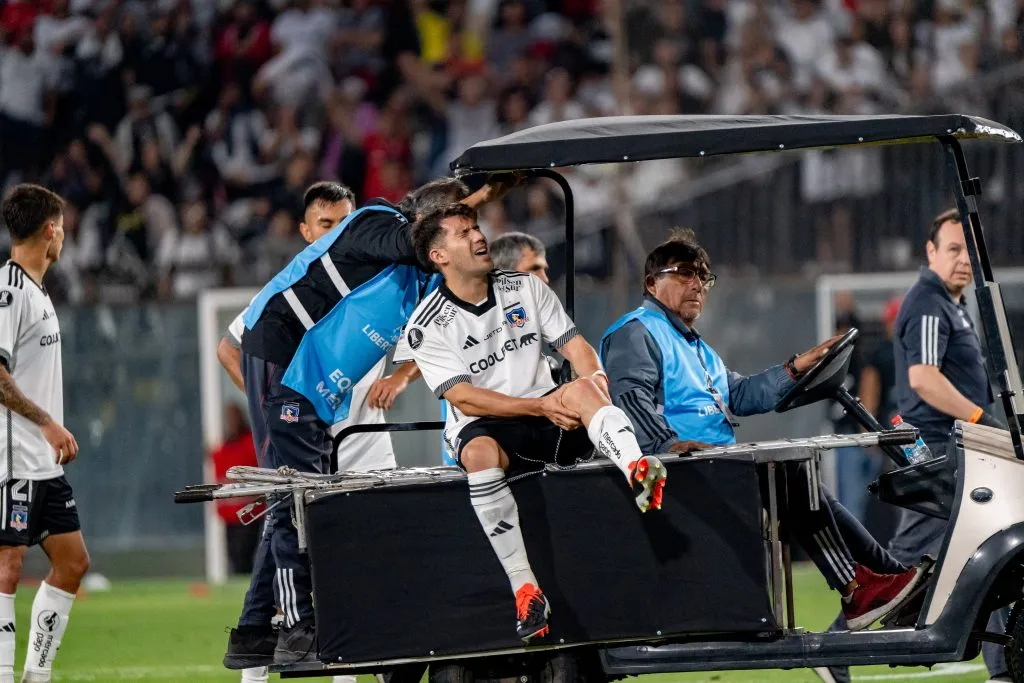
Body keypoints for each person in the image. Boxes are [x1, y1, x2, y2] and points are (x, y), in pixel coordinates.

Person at [227, 177, 513, 668]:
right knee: (299, 495)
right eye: (457, 228)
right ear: (427, 224)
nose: (467, 237)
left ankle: (253, 631)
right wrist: (480, 197)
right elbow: (413, 243)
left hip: (313, 377)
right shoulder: (376, 225)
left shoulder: (414, 274)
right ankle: (296, 628)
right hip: (286, 359)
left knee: (290, 498)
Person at [599, 229, 923, 632]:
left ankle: (887, 578)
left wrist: (795, 368)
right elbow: (630, 402)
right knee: (787, 474)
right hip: (672, 474)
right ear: (652, 282)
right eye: (684, 273)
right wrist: (667, 445)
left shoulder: (696, 347)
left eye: (702, 276)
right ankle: (856, 588)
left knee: (800, 473)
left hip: (711, 465)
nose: (697, 284)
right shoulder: (636, 332)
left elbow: (739, 393)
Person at [406, 203, 668, 643]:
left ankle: (638, 469)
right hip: (493, 425)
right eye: (462, 232)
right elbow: (464, 398)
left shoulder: (525, 287)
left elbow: (576, 346)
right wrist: (540, 408)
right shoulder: (426, 325)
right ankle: (525, 589)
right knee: (477, 453)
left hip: (549, 414)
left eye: (476, 226)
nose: (478, 236)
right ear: (439, 256)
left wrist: (596, 380)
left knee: (584, 390)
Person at [879, 208, 1007, 683]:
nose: (963, 259)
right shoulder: (930, 302)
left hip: (955, 446)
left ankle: (1004, 665)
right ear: (930, 252)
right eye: (952, 248)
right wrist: (980, 418)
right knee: (912, 560)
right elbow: (925, 381)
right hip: (941, 448)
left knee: (989, 544)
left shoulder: (951, 302)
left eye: (968, 250)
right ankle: (837, 644)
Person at [0, 185, 88, 683]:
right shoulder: (9, 291)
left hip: (44, 460)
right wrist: (48, 423)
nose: (64, 236)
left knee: (73, 563)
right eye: (63, 226)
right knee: (7, 566)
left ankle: (37, 674)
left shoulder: (36, 288)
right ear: (51, 229)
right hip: (13, 455)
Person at [210, 403, 261, 575]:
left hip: (249, 512)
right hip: (229, 513)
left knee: (244, 554)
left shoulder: (249, 443)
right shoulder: (226, 445)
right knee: (234, 555)